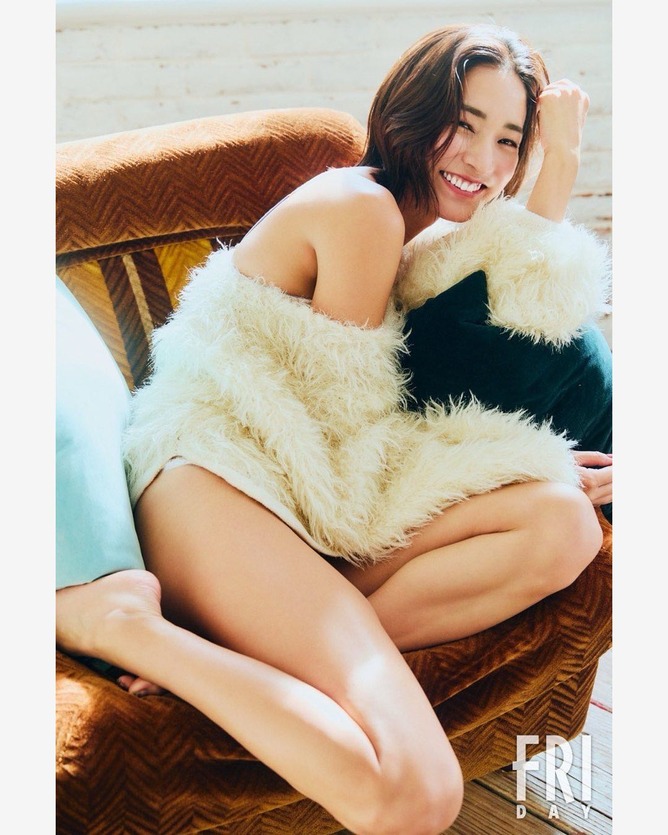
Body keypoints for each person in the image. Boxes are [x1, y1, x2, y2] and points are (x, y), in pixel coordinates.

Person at [56, 22, 612, 835]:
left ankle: (267, 650)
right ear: (414, 112)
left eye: (508, 140)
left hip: (303, 500)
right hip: (215, 479)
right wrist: (514, 461)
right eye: (462, 124)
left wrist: (559, 159)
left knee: (564, 527)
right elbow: (356, 456)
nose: (482, 161)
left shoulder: (421, 236)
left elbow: (520, 302)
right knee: (418, 792)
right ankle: (127, 628)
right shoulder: (365, 214)